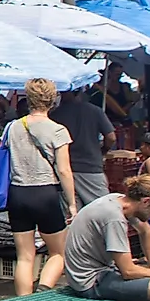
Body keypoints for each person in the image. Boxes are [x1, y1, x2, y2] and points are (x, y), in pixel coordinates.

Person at [2, 78, 77, 296]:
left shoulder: (13, 127)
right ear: (53, 100)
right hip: (45, 193)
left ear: (28, 99)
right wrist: (72, 203)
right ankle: (43, 292)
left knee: (25, 256)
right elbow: (64, 170)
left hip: (17, 192)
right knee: (58, 252)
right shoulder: (58, 130)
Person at [50, 82, 112, 211]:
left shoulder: (55, 114)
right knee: (103, 211)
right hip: (91, 167)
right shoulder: (95, 111)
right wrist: (103, 151)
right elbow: (111, 137)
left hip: (65, 169)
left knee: (72, 214)